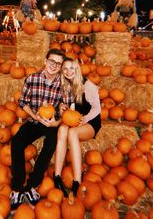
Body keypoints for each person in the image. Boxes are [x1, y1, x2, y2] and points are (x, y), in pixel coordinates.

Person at [10, 49, 73, 210]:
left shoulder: (64, 84)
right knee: (17, 141)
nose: (54, 65)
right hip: (35, 120)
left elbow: (67, 111)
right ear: (45, 61)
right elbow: (23, 102)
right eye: (52, 61)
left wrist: (56, 122)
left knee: (51, 144)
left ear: (60, 67)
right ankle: (17, 187)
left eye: (58, 64)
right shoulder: (32, 78)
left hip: (51, 122)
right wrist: (35, 116)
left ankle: (33, 184)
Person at [53, 58, 101, 197]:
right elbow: (67, 107)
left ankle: (77, 181)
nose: (68, 72)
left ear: (77, 69)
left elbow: (97, 109)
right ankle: (57, 176)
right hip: (73, 119)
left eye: (71, 68)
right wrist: (61, 107)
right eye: (65, 69)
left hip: (90, 121)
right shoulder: (64, 85)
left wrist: (84, 119)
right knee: (62, 130)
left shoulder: (88, 85)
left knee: (72, 133)